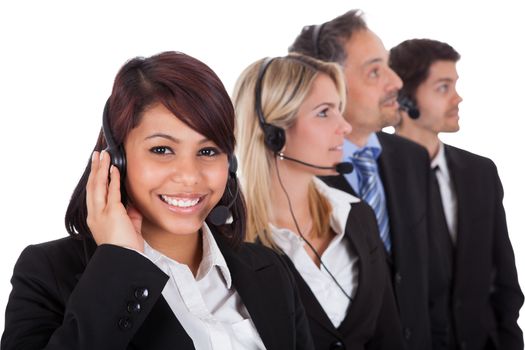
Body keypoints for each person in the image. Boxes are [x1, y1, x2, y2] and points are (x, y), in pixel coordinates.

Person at [1, 51, 314, 350]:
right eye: (162, 150)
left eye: (208, 151)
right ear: (117, 159)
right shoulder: (48, 272)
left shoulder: (270, 269)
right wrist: (118, 263)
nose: (190, 176)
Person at [288, 10, 446, 350]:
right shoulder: (292, 178)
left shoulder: (412, 158)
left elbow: (435, 283)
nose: (396, 82)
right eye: (375, 71)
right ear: (325, 83)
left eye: (389, 66)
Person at [233, 53, 404, 349]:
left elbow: (388, 337)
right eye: (324, 112)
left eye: (339, 109)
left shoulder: (355, 215)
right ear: (273, 132)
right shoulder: (229, 240)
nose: (345, 127)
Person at [389, 38, 524, 350]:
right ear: (405, 97)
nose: (457, 98)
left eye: (455, 86)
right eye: (443, 87)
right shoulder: (376, 175)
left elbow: (503, 279)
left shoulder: (480, 172)